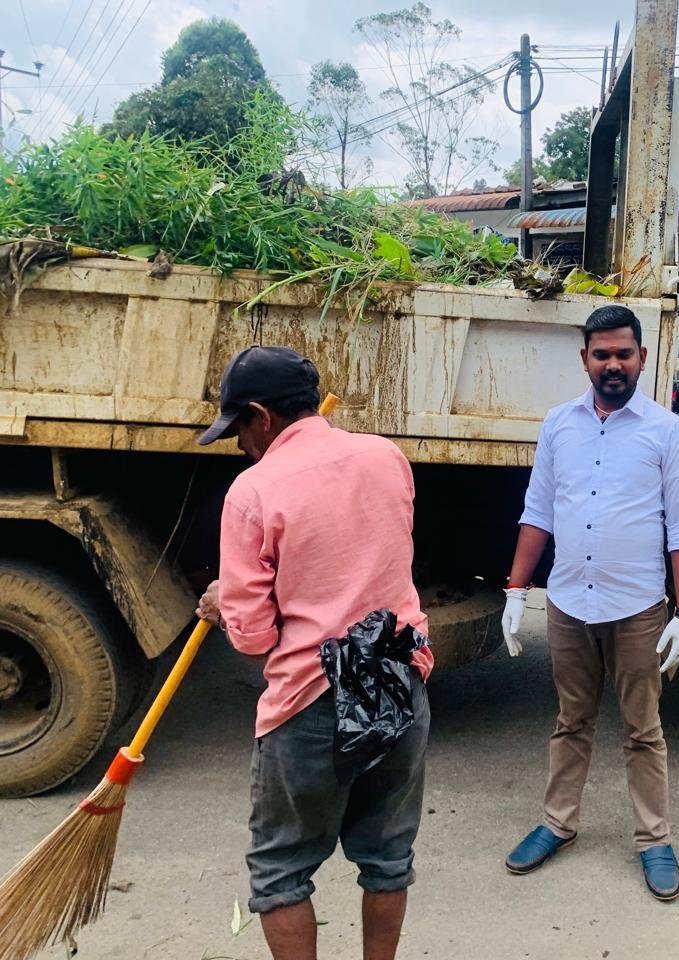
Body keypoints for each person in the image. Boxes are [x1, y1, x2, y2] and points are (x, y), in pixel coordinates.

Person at [194, 345, 433, 960]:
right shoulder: (385, 457)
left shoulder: (253, 491)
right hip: (399, 678)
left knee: (280, 871)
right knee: (387, 858)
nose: (241, 444)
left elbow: (253, 638)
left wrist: (226, 601)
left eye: (239, 429)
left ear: (261, 416)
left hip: (313, 698)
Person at [499, 305, 679, 901]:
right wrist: (515, 590)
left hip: (638, 608)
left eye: (624, 354)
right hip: (568, 603)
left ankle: (654, 838)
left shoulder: (666, 431)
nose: (613, 364)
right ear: (585, 359)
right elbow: (538, 511)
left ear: (642, 358)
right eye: (602, 354)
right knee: (571, 721)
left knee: (644, 729)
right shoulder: (559, 424)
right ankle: (558, 823)